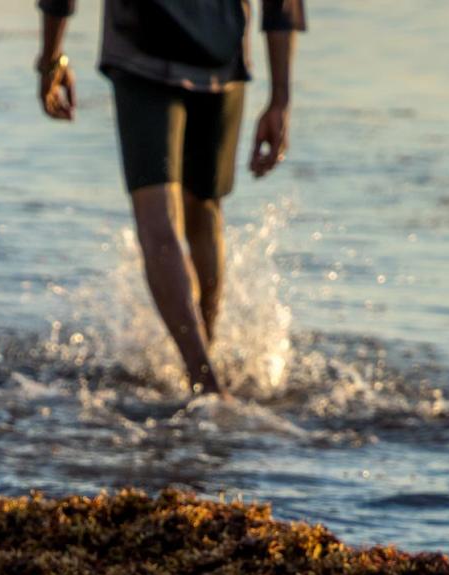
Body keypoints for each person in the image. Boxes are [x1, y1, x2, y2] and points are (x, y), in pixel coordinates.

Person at [35, 0, 305, 397]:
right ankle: (206, 366)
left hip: (142, 52)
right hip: (220, 56)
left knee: (158, 221)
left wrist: (51, 57)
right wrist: (280, 97)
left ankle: (203, 378)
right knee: (204, 213)